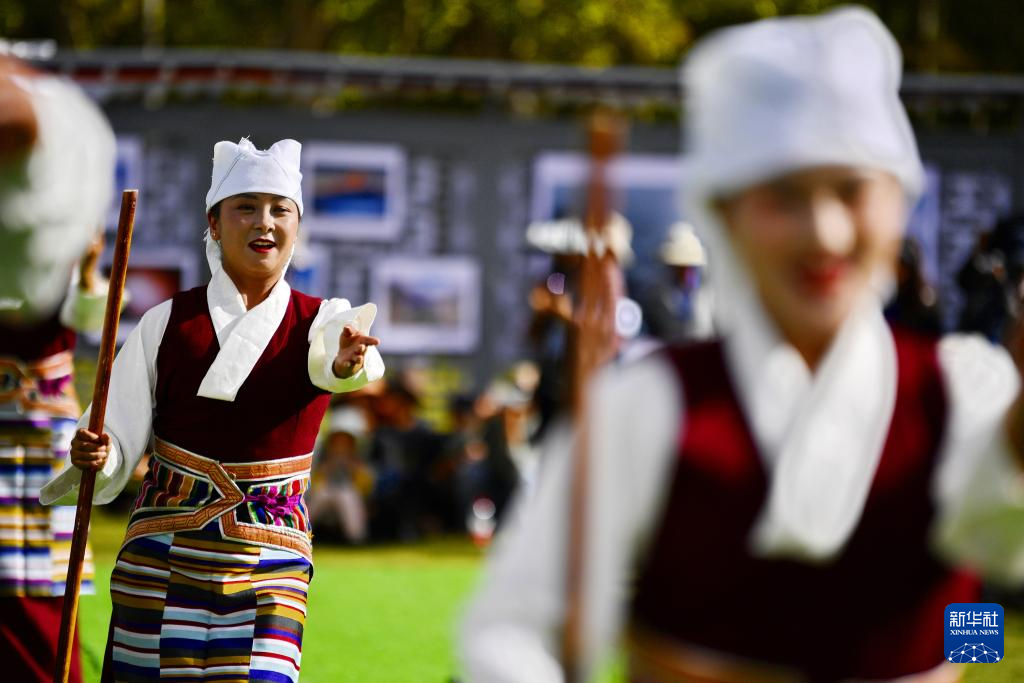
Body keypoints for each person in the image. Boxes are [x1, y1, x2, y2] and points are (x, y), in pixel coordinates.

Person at [460, 8, 1024, 683]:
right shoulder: (650, 405)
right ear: (724, 214)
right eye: (782, 197)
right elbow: (513, 629)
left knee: (974, 625)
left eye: (852, 190)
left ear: (898, 202)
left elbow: (997, 555)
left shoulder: (964, 390)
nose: (824, 232)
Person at [40, 137, 385, 682]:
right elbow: (117, 431)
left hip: (271, 556)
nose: (264, 223)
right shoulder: (165, 322)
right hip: (162, 549)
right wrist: (101, 453)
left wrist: (346, 365)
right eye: (245, 207)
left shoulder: (323, 322)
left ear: (297, 226)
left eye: (280, 210)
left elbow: (342, 365)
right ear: (214, 224)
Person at [0, 54, 115, 683]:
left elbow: (87, 315)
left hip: (39, 441)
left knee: (40, 588)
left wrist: (91, 267)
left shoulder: (54, 260)